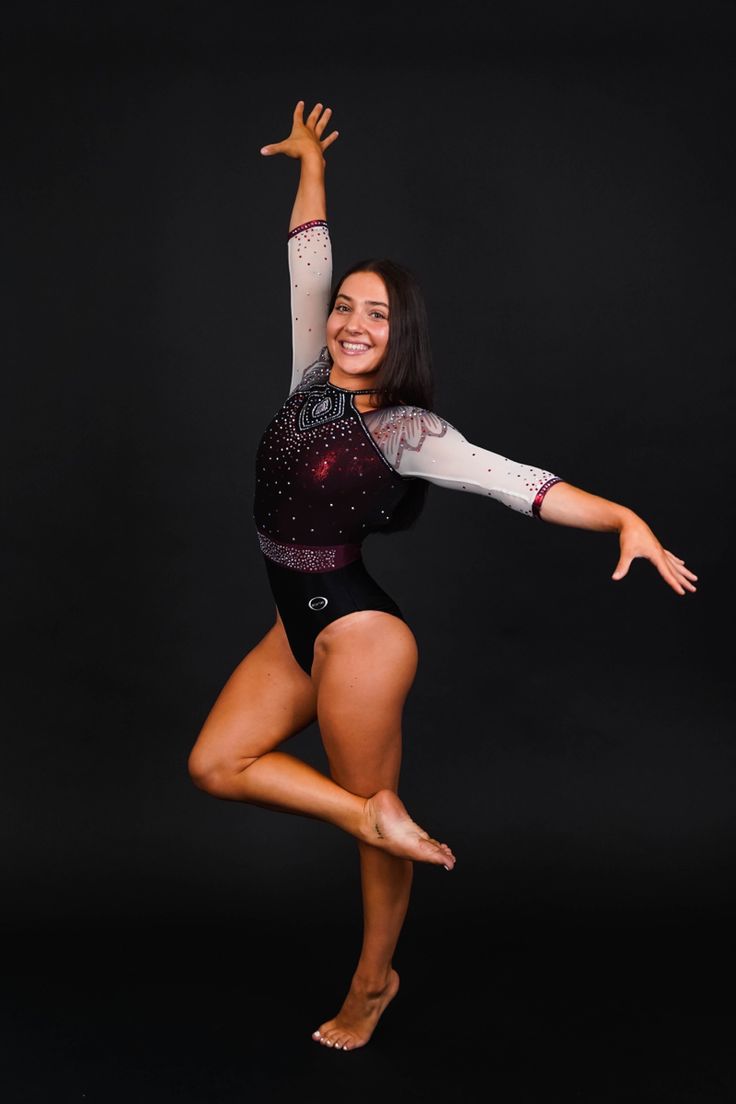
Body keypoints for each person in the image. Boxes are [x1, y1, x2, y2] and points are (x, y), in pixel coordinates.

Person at [187, 101, 697, 1052]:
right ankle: (370, 819)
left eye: (375, 315)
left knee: (377, 826)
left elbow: (523, 486)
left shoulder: (409, 432)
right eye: (345, 307)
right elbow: (305, 257)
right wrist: (311, 167)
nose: (349, 322)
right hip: (294, 624)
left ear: (401, 334)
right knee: (218, 765)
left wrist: (624, 517)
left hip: (358, 637)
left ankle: (373, 980)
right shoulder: (308, 376)